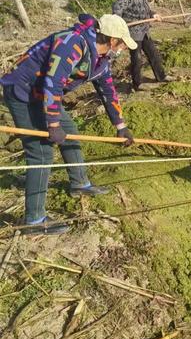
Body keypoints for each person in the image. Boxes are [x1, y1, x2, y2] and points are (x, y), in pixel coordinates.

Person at [0, 14, 137, 235]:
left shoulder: (101, 60)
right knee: (41, 153)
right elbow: (53, 82)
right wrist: (53, 124)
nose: (122, 49)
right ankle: (34, 221)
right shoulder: (72, 44)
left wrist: (120, 125)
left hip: (44, 94)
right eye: (121, 44)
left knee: (70, 130)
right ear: (112, 40)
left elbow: (108, 90)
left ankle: (79, 183)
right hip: (24, 90)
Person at [113, 0, 173, 91]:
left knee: (153, 53)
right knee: (137, 58)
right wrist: (119, 25)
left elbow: (145, 9)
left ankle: (161, 77)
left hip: (144, 29)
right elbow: (117, 9)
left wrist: (152, 14)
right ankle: (137, 84)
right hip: (133, 31)